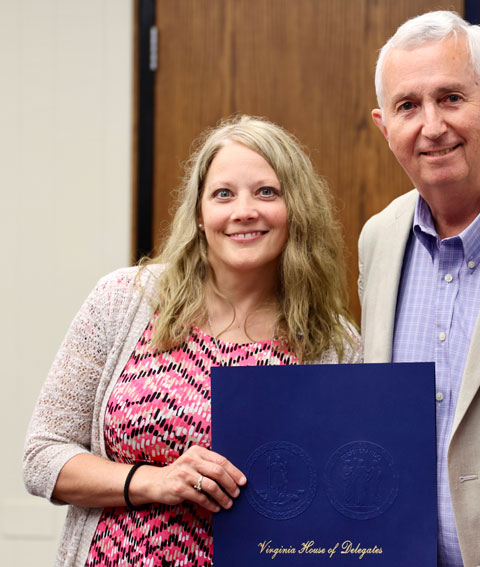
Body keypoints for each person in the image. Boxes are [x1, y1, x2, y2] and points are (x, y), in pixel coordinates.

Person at [23, 115, 361, 566]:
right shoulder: (123, 301)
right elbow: (43, 457)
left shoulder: (335, 345)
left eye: (267, 191)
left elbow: (344, 498)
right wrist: (155, 482)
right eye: (223, 194)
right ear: (200, 216)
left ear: (296, 209)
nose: (244, 211)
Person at [359, 10, 480, 566]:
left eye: (451, 98)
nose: (431, 126)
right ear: (383, 126)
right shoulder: (379, 239)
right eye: (408, 106)